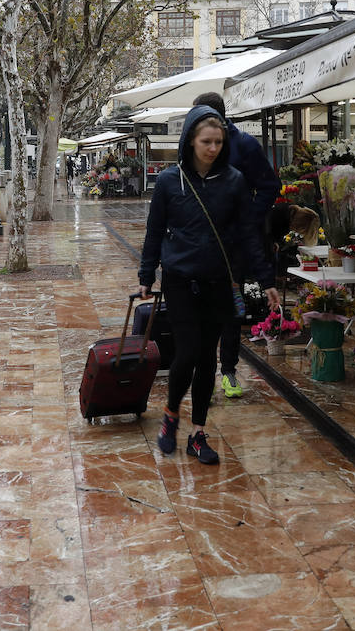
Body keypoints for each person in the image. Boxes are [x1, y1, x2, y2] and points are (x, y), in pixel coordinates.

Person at [138, 105, 279, 465]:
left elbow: (249, 234)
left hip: (219, 280)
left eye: (218, 141)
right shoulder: (170, 181)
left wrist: (266, 280)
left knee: (206, 359)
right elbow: (154, 231)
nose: (213, 148)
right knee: (186, 352)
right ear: (189, 141)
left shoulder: (233, 181)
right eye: (206, 141)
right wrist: (146, 275)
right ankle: (171, 415)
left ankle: (197, 433)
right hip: (180, 280)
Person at [191, 92, 281, 399]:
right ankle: (202, 376)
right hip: (198, 244)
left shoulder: (244, 145)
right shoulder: (194, 146)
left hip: (233, 248)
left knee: (230, 309)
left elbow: (270, 186)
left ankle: (228, 371)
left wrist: (248, 218)